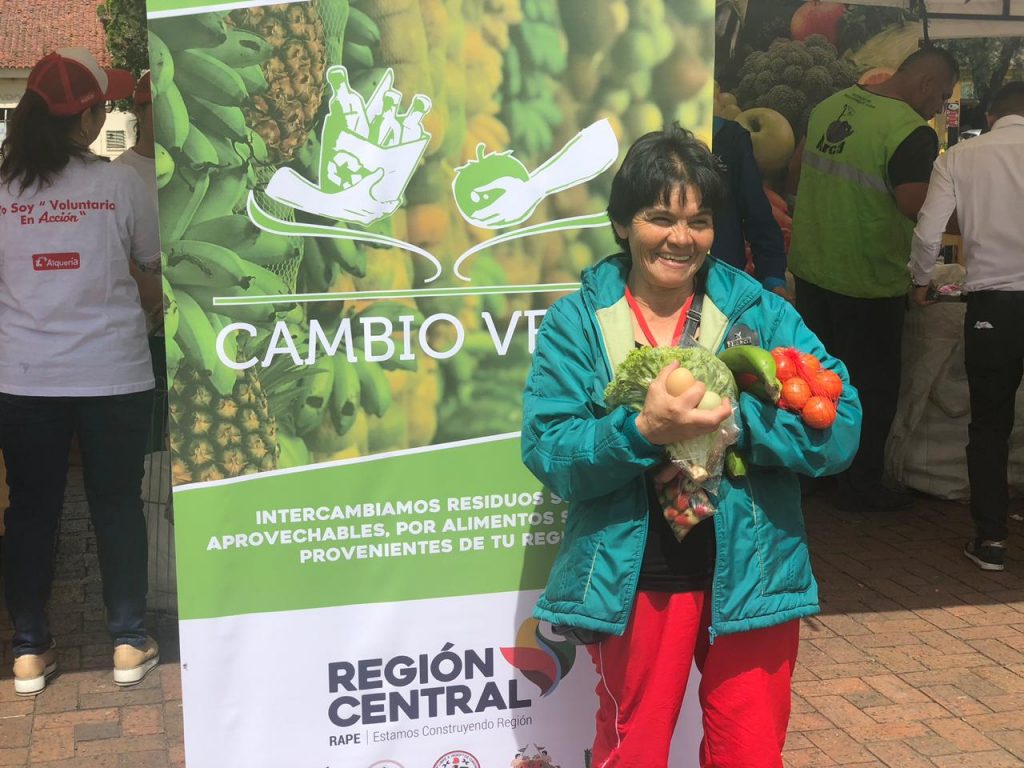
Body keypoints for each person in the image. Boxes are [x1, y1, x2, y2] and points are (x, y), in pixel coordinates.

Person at [520, 125, 861, 768]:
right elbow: (550, 449)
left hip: (756, 574)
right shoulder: (579, 324)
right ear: (621, 224)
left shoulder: (759, 313)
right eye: (660, 218)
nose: (681, 239)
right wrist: (641, 433)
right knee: (634, 751)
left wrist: (737, 425)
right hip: (635, 576)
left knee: (749, 754)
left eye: (699, 222)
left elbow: (840, 429)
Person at [0, 48, 162, 696]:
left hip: (24, 378)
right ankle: (127, 640)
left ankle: (28, 651)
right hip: (114, 374)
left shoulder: (4, 190)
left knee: (30, 510)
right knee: (117, 504)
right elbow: (151, 268)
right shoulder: (121, 185)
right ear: (90, 117)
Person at [787, 47, 959, 511]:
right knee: (870, 389)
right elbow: (915, 206)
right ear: (926, 84)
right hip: (868, 280)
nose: (938, 107)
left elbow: (796, 173)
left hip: (812, 270)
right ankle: (859, 487)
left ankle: (810, 476)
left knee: (813, 381)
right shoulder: (911, 132)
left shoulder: (829, 105)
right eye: (941, 97)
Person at [908, 81, 1024, 572]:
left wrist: (921, 280)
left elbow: (928, 230)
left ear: (991, 115)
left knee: (990, 423)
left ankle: (991, 539)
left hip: (993, 306)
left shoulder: (959, 156)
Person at [711, 116, 789, 300]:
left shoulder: (730, 137)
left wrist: (773, 276)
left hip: (722, 285)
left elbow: (756, 211)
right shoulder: (645, 130)